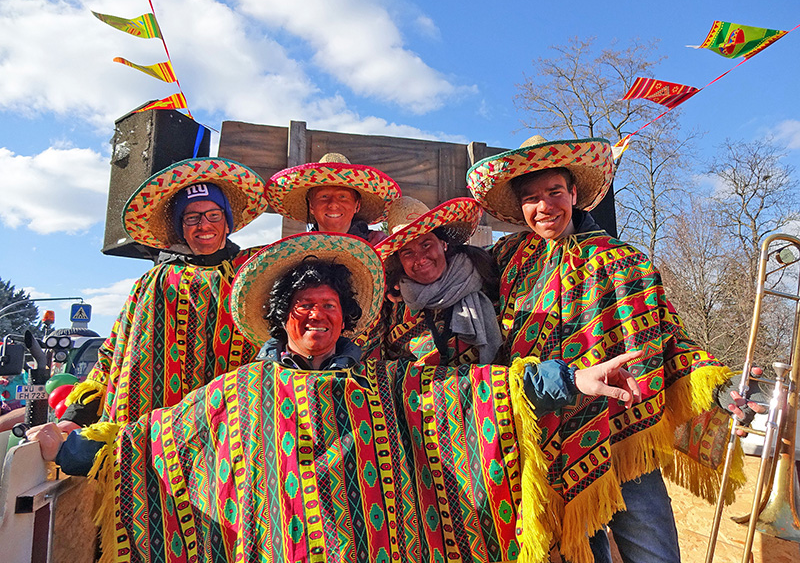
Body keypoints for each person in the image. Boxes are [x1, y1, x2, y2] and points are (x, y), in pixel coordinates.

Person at [28, 232, 644, 563]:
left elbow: (476, 395)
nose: (316, 315)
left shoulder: (382, 383)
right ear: (282, 320)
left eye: (329, 306)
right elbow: (151, 442)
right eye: (302, 307)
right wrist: (69, 450)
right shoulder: (235, 393)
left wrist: (568, 380)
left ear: (346, 318)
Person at [467, 135, 744, 563]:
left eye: (554, 193)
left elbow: (670, 338)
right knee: (580, 551)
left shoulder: (624, 261)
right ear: (520, 207)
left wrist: (723, 389)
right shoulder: (504, 261)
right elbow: (449, 283)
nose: (544, 207)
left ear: (574, 194)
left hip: (622, 427)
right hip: (545, 435)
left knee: (651, 545)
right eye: (531, 198)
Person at [59, 157, 268, 428]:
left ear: (227, 223)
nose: (204, 225)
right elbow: (113, 352)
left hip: (232, 426)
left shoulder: (253, 274)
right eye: (192, 217)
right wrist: (76, 416)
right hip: (156, 431)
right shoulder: (153, 283)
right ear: (181, 227)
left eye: (214, 215)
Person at [360, 195, 501, 365]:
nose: (420, 259)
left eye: (426, 245)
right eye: (407, 253)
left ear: (443, 244)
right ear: (400, 261)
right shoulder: (392, 304)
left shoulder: (485, 271)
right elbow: (376, 363)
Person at [265, 152, 400, 245]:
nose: (333, 204)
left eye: (343, 197)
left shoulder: (380, 247)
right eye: (324, 196)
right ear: (311, 206)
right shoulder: (295, 253)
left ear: (357, 206)